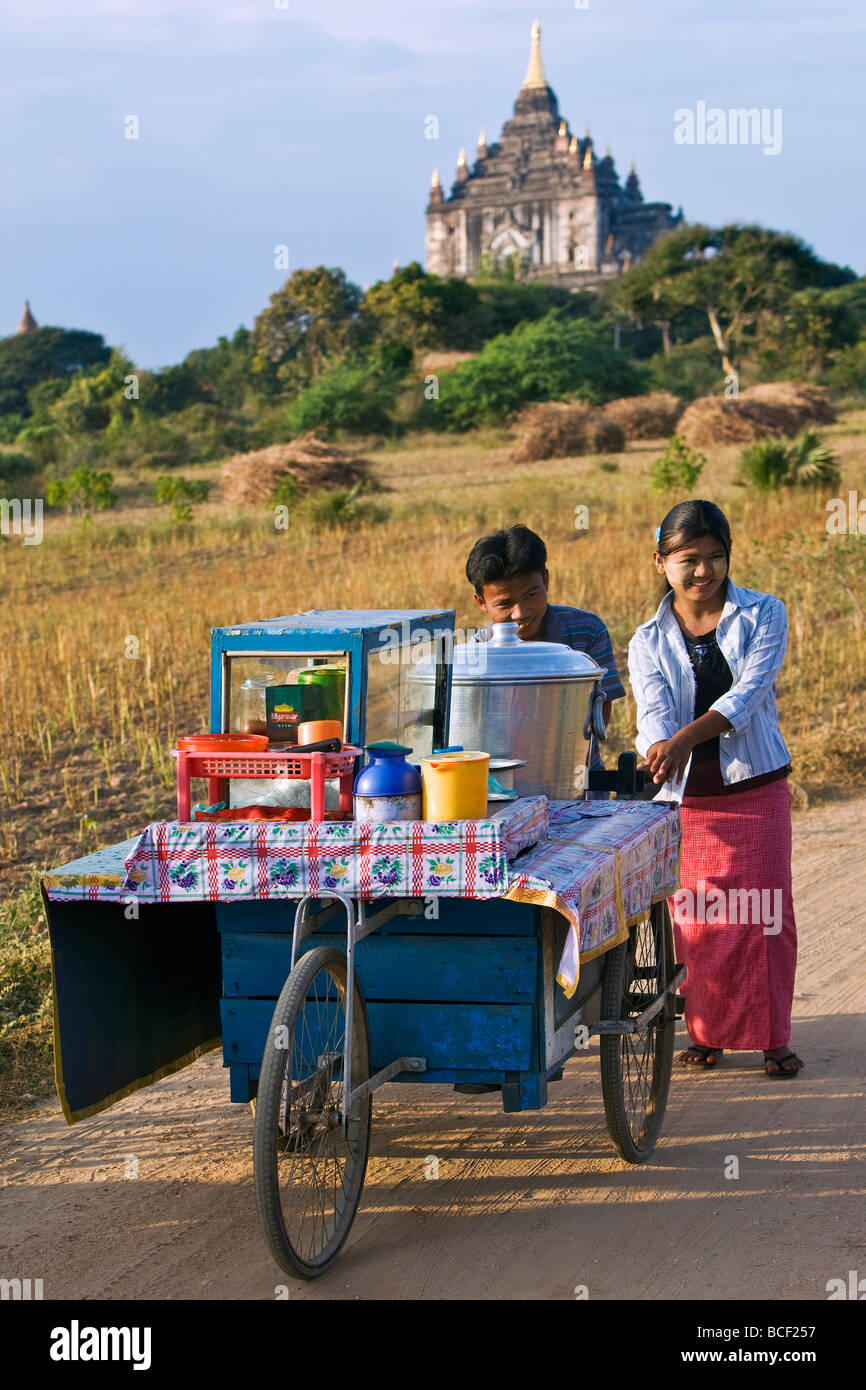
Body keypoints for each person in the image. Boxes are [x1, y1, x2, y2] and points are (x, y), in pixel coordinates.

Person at [627, 500, 804, 1078]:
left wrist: (679, 740)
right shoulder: (646, 639)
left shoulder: (765, 613)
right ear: (661, 562)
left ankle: (773, 1038)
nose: (703, 571)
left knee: (764, 918)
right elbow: (651, 710)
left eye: (715, 558)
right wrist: (658, 747)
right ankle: (705, 1034)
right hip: (689, 802)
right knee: (699, 921)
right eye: (688, 560)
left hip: (754, 789)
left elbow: (746, 699)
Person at [466, 524, 626, 759]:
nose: (520, 613)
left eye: (531, 595)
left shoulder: (586, 631)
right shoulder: (479, 649)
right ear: (481, 602)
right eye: (504, 604)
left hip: (577, 780)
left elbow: (602, 705)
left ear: (546, 580)